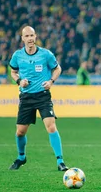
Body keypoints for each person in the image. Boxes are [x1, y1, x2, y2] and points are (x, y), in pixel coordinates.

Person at [8, 26, 67, 171]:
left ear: (36, 37)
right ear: (22, 38)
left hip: (43, 96)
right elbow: (13, 71)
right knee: (20, 132)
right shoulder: (17, 55)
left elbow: (58, 68)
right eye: (27, 36)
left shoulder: (46, 54)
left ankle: (60, 161)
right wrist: (19, 81)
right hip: (26, 97)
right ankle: (21, 157)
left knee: (51, 126)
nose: (30, 39)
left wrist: (51, 81)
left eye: (32, 35)